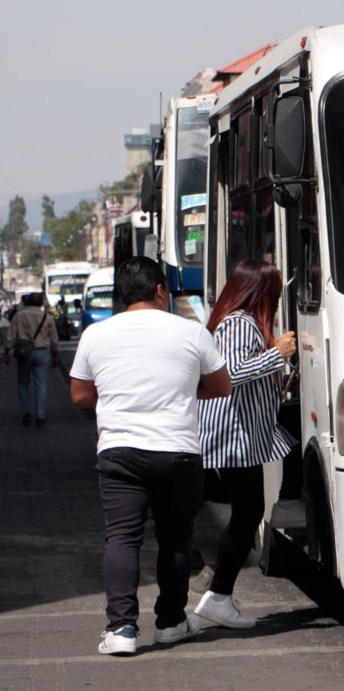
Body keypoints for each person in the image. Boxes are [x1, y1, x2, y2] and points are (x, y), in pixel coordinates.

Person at [70, 257, 232, 656]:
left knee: (122, 538)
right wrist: (177, 393)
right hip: (177, 451)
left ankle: (122, 629)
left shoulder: (95, 334)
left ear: (121, 294)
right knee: (176, 538)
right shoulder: (191, 331)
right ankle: (171, 623)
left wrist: (117, 397)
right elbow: (221, 385)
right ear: (161, 290)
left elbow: (79, 395)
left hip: (120, 452)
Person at [194, 260, 297, 630]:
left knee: (247, 510)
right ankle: (218, 595)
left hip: (241, 434)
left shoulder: (236, 321)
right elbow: (231, 374)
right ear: (261, 292)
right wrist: (277, 354)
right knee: (247, 511)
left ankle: (218, 594)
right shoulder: (239, 324)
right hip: (234, 436)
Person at [3, 292, 60, 427]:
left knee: (22, 383)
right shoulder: (47, 317)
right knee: (41, 385)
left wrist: (6, 352)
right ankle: (41, 416)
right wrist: (55, 355)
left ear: (27, 302)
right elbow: (54, 339)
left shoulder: (19, 316)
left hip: (24, 353)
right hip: (42, 353)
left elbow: (11, 336)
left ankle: (26, 412)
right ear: (41, 303)